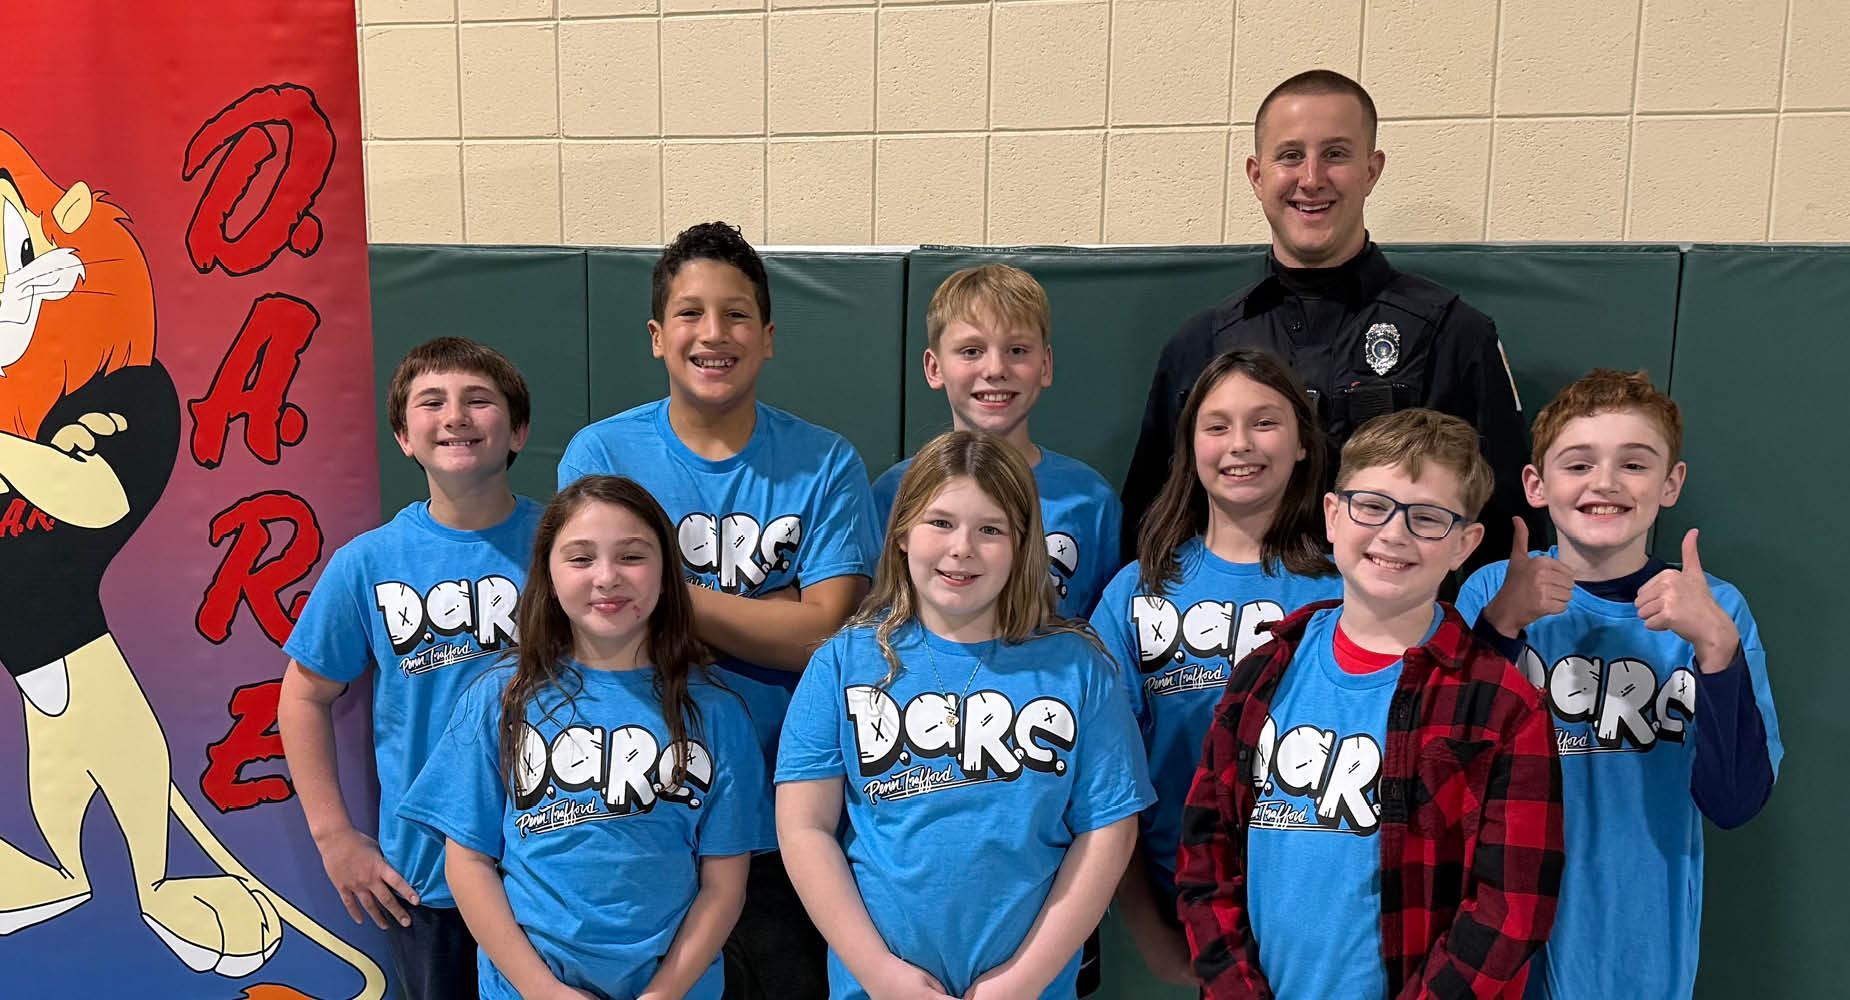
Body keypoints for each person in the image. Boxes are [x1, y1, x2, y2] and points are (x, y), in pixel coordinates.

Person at [557, 221, 880, 999]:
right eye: (691, 313)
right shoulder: (599, 455)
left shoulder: (825, 460)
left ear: (767, 338)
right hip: (645, 813)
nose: (714, 333)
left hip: (791, 818)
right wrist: (769, 608)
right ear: (656, 336)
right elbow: (591, 618)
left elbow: (824, 635)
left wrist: (658, 593)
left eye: (736, 315)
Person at [1176, 408, 1563, 998]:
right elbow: (1206, 856)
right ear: (1333, 516)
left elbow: (1512, 911)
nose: (1393, 534)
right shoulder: (1264, 672)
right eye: (1371, 506)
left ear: (1465, 545)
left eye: (1427, 518)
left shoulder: (1504, 707)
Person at [777, 430, 1154, 1000]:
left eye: (991, 529)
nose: (962, 548)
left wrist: (1022, 981)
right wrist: (880, 974)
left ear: (1023, 542)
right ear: (901, 531)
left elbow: (1108, 833)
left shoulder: (1079, 668)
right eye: (941, 523)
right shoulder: (843, 662)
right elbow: (804, 827)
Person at [1121, 69, 1536, 573]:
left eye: (1336, 154)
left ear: (1371, 170)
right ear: (1257, 175)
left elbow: (1507, 525)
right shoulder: (1201, 343)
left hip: (1405, 634)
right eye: (1290, 155)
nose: (1311, 178)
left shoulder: (1454, 332)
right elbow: (1153, 519)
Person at [1455, 369, 1781, 998]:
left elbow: (1734, 802)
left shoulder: (1717, 610)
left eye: (1634, 464)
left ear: (1670, 483)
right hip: (1496, 931)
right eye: (1578, 465)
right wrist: (1501, 628)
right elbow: (1449, 774)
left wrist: (1716, 648)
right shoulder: (1491, 591)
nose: (1604, 483)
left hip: (1640, 942)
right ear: (1536, 485)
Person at [398, 475, 773, 999]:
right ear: (548, 575)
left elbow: (723, 884)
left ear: (667, 574)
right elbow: (469, 864)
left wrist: (663, 993)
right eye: (580, 558)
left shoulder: (716, 713)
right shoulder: (498, 700)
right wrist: (542, 990)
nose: (606, 577)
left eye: (632, 557)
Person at [278, 337, 541, 998]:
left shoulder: (567, 545)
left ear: (519, 431)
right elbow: (303, 697)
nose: (455, 416)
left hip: (555, 862)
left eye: (478, 400)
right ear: (403, 435)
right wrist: (334, 835)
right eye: (432, 402)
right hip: (429, 877)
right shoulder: (367, 562)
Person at [1089, 349, 1341, 986]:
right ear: (1189, 444)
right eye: (1218, 425)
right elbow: (1102, 779)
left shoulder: (1344, 590)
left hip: (1309, 917)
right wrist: (1148, 929)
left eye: (1265, 422)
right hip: (1173, 914)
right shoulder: (1135, 591)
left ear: (1304, 443)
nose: (1241, 445)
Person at [873, 264, 1121, 621]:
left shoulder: (1090, 498)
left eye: (1017, 350)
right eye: (971, 351)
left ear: (1046, 365)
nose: (995, 369)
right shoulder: (895, 491)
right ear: (934, 368)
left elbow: (1106, 631)